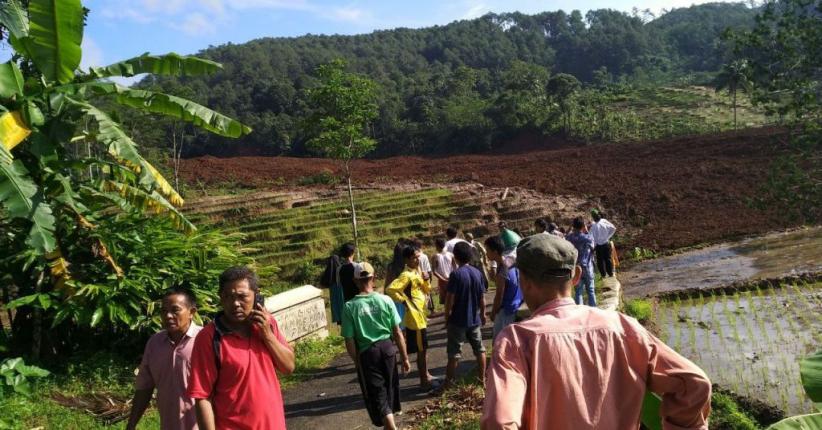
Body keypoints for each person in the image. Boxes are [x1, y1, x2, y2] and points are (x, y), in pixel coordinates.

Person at [481, 235, 711, 429]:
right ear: (576, 275)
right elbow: (694, 384)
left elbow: (500, 421)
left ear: (524, 281)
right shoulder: (622, 327)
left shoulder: (516, 341)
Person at [187, 267, 295, 430]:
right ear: (221, 298)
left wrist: (267, 335)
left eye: (242, 296)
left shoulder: (267, 323)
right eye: (228, 297)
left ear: (256, 295)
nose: (235, 303)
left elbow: (288, 367)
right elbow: (202, 396)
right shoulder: (209, 338)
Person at [342, 262, 411, 430]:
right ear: (373, 278)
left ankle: (392, 427)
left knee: (377, 392)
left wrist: (357, 361)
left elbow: (349, 340)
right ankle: (390, 424)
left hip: (368, 353)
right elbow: (397, 332)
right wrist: (405, 357)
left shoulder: (350, 307)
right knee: (389, 388)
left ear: (355, 281)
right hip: (388, 349)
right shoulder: (385, 300)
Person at [127, 286, 202, 430]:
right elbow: (144, 387)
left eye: (175, 310)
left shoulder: (205, 341)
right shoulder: (155, 343)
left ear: (191, 312)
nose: (168, 316)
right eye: (164, 311)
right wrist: (131, 424)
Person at [386, 246, 437, 390]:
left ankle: (426, 376)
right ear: (407, 259)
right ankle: (424, 381)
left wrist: (426, 280)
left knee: (423, 349)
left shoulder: (417, 272)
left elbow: (426, 290)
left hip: (421, 316)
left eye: (418, 257)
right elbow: (390, 289)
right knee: (421, 350)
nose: (417, 260)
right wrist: (405, 302)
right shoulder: (406, 275)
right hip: (415, 318)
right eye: (414, 258)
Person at [444, 242, 487, 389]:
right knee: (480, 349)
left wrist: (447, 317)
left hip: (457, 320)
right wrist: (483, 314)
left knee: (454, 354)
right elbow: (482, 298)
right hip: (474, 319)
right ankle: (482, 380)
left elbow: (450, 300)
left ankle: (448, 383)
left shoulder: (456, 275)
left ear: (455, 257)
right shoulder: (477, 273)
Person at [484, 236, 523, 339]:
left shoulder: (502, 271)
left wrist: (493, 313)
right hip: (515, 304)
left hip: (506, 310)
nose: (486, 254)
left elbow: (499, 295)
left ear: (495, 252)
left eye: (487, 250)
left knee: (499, 340)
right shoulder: (510, 262)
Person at [565, 217, 596, 306]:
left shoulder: (569, 237)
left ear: (573, 226)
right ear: (583, 226)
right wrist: (586, 231)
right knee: (590, 290)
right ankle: (593, 309)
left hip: (575, 267)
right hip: (587, 267)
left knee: (578, 292)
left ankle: (580, 310)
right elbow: (593, 247)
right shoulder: (587, 237)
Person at [385, 239, 411, 324]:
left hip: (395, 299)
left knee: (400, 325)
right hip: (407, 298)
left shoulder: (391, 267)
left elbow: (387, 285)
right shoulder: (408, 266)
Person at [590, 209, 617, 278]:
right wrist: (608, 236)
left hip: (598, 246)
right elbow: (613, 228)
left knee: (600, 261)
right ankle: (610, 273)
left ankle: (603, 275)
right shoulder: (603, 221)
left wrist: (593, 246)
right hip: (606, 243)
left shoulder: (593, 226)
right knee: (608, 259)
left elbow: (592, 238)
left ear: (593, 217)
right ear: (598, 215)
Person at [412, 238, 435, 313]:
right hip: (425, 277)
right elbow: (429, 269)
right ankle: (431, 310)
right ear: (421, 246)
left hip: (416, 277)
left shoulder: (412, 257)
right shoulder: (424, 256)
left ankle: (422, 310)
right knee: (428, 293)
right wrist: (430, 278)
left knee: (419, 294)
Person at [432, 237, 454, 306]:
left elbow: (434, 271)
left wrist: (443, 279)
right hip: (452, 279)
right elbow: (455, 268)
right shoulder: (451, 254)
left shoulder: (435, 256)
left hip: (442, 280)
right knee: (453, 298)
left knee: (446, 301)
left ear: (437, 246)